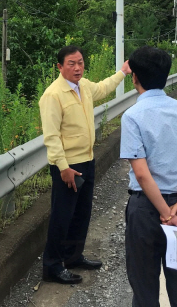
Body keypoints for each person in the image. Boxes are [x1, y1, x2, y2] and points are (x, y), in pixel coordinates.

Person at [120, 46, 177, 307]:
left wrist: (165, 213)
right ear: (166, 75)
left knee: (144, 288)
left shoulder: (132, 117)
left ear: (134, 77)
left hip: (146, 212)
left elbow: (142, 173)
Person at [40, 45, 131, 284]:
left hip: (87, 160)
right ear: (60, 67)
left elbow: (104, 88)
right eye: (71, 63)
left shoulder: (84, 87)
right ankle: (51, 266)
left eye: (80, 62)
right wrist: (63, 168)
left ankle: (72, 256)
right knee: (62, 216)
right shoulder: (53, 95)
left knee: (81, 214)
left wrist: (122, 72)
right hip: (68, 166)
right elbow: (51, 137)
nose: (77, 67)